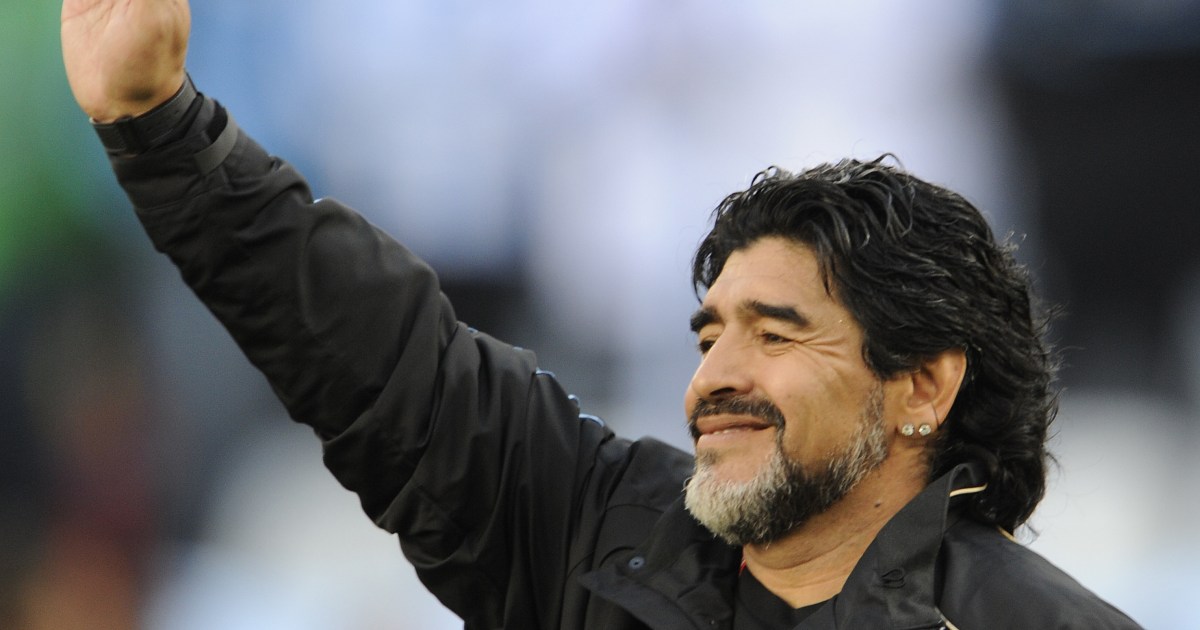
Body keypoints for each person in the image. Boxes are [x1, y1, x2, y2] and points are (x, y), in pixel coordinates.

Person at [61, 1, 1142, 628]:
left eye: (776, 334)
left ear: (924, 385)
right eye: (710, 334)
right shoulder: (597, 535)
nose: (716, 377)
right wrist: (162, 127)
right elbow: (384, 358)